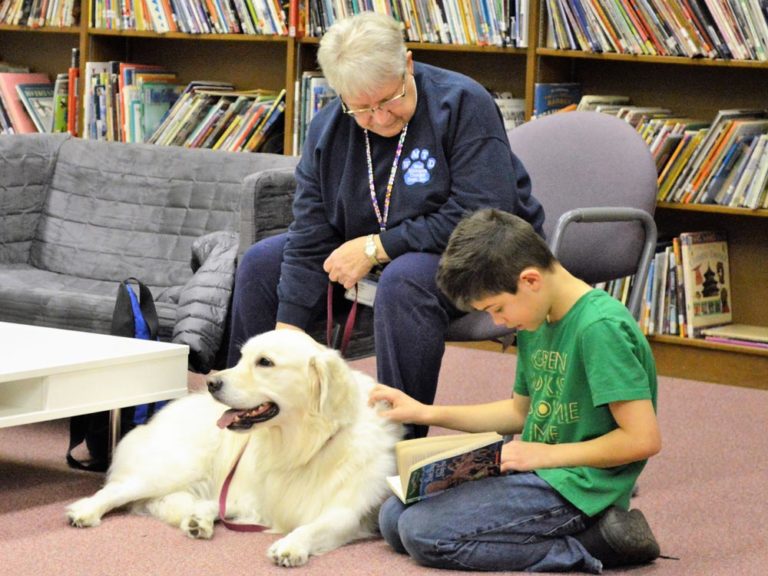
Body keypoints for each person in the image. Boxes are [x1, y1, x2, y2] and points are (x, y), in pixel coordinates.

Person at [226, 11, 544, 439]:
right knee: (262, 263)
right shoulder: (328, 127)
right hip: (381, 254)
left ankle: (397, 443)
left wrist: (377, 248)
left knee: (404, 279)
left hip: (480, 254)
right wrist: (286, 332)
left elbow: (482, 213)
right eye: (361, 108)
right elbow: (311, 231)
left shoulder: (463, 103)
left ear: (408, 64)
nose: (378, 118)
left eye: (389, 100)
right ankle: (250, 423)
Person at [369, 208, 662, 572]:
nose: (497, 322)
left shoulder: (599, 329)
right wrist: (425, 412)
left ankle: (593, 545)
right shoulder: (536, 318)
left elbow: (642, 439)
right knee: (393, 518)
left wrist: (541, 456)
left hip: (581, 486)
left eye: (497, 308)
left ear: (530, 280)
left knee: (421, 533)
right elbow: (519, 413)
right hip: (537, 468)